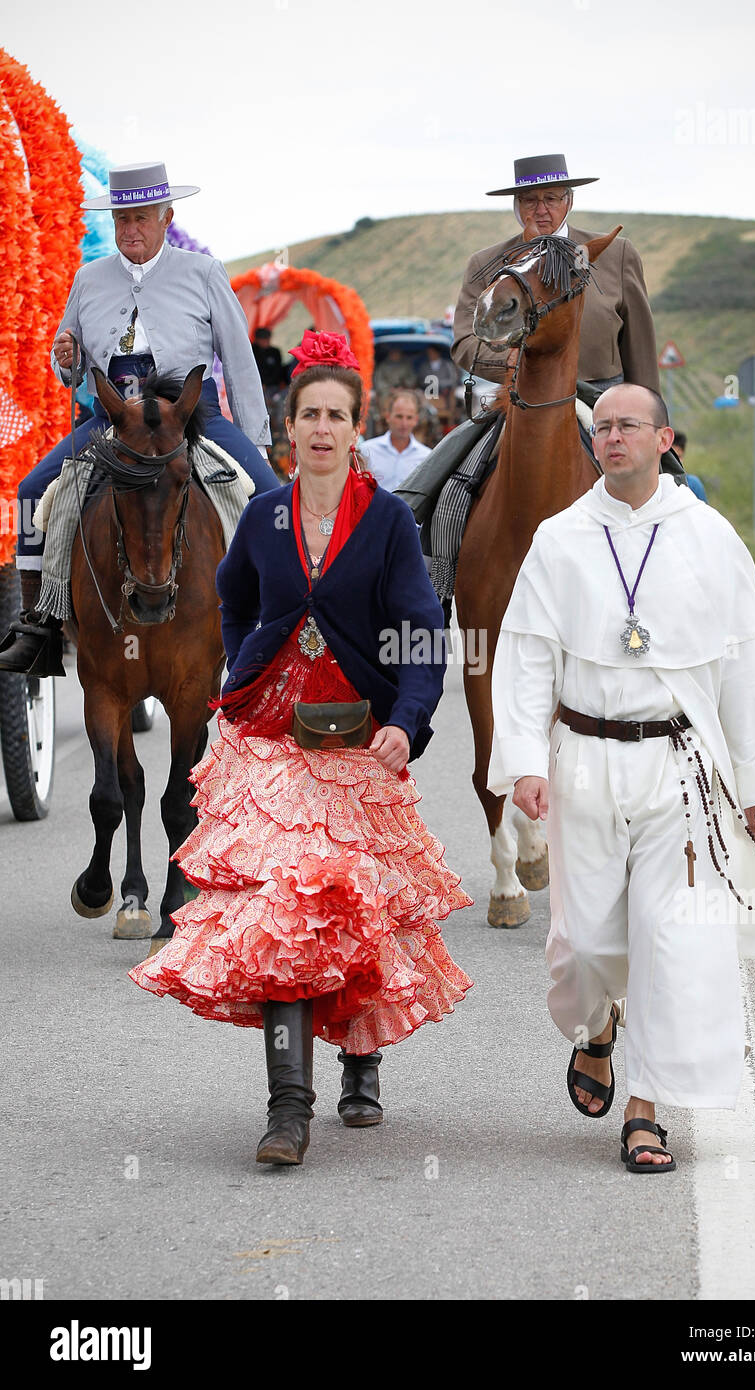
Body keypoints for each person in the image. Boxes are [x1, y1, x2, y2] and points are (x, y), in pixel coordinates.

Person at [129, 331, 472, 1167]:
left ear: (357, 431)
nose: (322, 428)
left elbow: (423, 632)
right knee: (288, 909)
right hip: (272, 740)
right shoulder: (262, 516)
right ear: (289, 430)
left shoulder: (388, 520)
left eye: (336, 415)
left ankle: (363, 1060)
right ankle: (288, 1110)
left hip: (359, 738)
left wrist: (409, 719)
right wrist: (250, 666)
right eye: (309, 414)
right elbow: (233, 602)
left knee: (353, 905)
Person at [489, 382, 755, 1174]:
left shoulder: (711, 537)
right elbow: (524, 657)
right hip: (583, 761)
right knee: (586, 942)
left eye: (629, 425)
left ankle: (646, 1109)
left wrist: (753, 780)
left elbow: (739, 666)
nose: (612, 436)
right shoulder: (558, 538)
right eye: (604, 426)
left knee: (669, 940)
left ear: (664, 439)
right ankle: (596, 1028)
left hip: (681, 770)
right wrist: (522, 761)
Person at [0, 161, 280, 678]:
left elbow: (239, 360)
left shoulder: (204, 273)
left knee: (270, 496)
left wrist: (255, 439)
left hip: (193, 416)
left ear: (166, 217)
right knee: (30, 491)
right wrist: (66, 359)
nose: (130, 230)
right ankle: (39, 624)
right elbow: (70, 360)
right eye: (121, 220)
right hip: (114, 419)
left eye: (141, 218)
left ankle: (277, 624)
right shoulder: (88, 278)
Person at [452, 154, 660, 393]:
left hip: (603, 397)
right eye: (530, 200)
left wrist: (649, 408)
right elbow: (465, 342)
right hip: (522, 395)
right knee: (467, 433)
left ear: (569, 201)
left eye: (551, 199)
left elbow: (640, 344)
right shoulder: (485, 263)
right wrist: (510, 362)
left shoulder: (617, 254)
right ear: (516, 205)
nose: (541, 210)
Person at [362, 389, 432, 491]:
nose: (404, 423)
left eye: (409, 417)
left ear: (416, 420)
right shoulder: (367, 450)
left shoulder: (426, 457)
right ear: (388, 416)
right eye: (399, 416)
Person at [672, 429, 708, 502]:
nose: (676, 461)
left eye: (679, 457)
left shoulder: (693, 484)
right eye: (672, 457)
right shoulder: (655, 485)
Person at [251, 326, 287, 394]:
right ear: (257, 339)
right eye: (263, 339)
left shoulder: (274, 352)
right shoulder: (252, 352)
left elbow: (278, 370)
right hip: (257, 386)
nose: (266, 341)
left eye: (267, 338)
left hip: (274, 386)